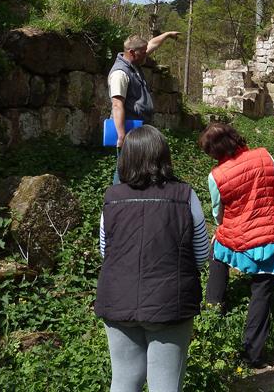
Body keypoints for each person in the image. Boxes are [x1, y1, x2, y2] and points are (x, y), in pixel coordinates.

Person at [94, 125, 209, 392]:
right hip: (170, 302)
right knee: (165, 384)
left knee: (124, 380)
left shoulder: (112, 198)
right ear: (163, 156)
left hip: (118, 298)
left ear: (126, 158)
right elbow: (201, 254)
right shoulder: (185, 195)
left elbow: (106, 251)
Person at [199, 122, 274, 368]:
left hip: (237, 235)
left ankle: (211, 318)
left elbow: (218, 213)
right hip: (270, 235)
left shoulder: (216, 176)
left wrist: (223, 229)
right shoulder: (264, 156)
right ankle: (254, 354)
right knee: (262, 291)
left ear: (213, 152)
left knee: (216, 254)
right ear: (235, 137)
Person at [109, 32, 179, 183]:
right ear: (132, 52)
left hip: (140, 127)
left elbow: (152, 44)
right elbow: (117, 104)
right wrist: (121, 136)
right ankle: (116, 194)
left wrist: (167, 35)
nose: (146, 54)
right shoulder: (120, 73)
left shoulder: (134, 63)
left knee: (142, 164)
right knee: (125, 167)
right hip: (128, 130)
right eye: (143, 52)